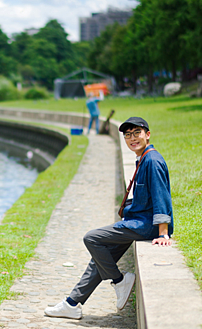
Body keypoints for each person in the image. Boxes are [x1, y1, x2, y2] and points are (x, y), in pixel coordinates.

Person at [44, 117, 173, 320]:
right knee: (100, 259)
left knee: (92, 238)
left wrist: (163, 232)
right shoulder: (144, 157)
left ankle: (119, 281)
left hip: (145, 225)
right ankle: (72, 303)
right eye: (127, 135)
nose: (132, 139)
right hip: (135, 221)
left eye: (136, 133)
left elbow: (161, 195)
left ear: (147, 135)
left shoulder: (153, 160)